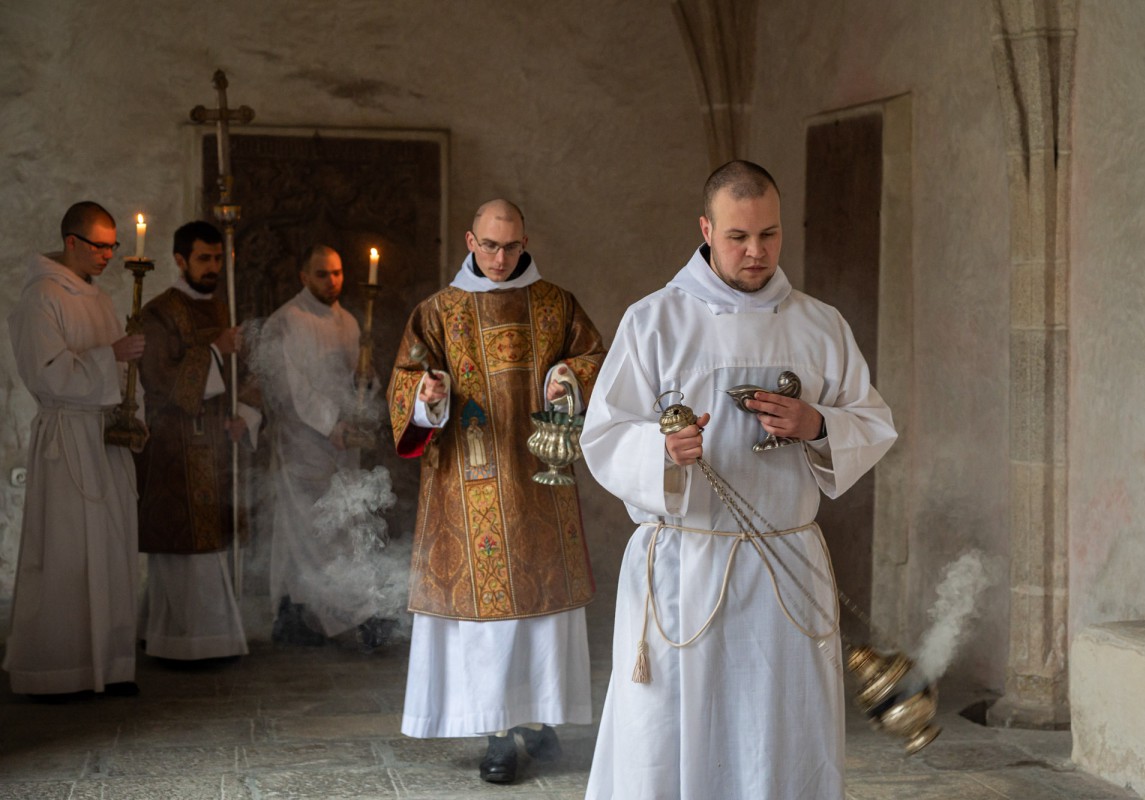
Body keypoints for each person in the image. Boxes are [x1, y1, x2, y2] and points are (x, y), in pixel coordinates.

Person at [579, 161, 898, 799]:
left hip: (786, 565)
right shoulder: (655, 321)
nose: (756, 251)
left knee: (779, 732)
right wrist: (663, 451)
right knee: (673, 734)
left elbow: (872, 421)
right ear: (706, 230)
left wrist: (817, 424)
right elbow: (604, 434)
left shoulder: (819, 325)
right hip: (684, 564)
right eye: (738, 237)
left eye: (769, 235)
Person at [388, 199, 606, 784]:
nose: (500, 258)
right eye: (489, 245)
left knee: (541, 616)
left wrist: (568, 379)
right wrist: (426, 395)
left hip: (541, 478)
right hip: (468, 480)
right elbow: (407, 380)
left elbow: (594, 359)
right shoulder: (438, 311)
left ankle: (539, 716)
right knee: (487, 621)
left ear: (525, 242)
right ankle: (498, 733)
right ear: (470, 241)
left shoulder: (557, 304)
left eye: (510, 246)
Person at [4, 201, 146, 698]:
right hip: (68, 439)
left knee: (109, 549)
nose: (108, 255)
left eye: (113, 246)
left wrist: (132, 409)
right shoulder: (42, 296)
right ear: (71, 241)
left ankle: (109, 665)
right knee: (68, 553)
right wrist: (112, 356)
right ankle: (59, 670)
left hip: (105, 439)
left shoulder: (99, 298)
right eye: (99, 246)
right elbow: (46, 373)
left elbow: (122, 372)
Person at [135, 220, 260, 662]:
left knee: (210, 546)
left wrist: (244, 416)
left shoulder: (223, 309)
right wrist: (213, 351)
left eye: (217, 258)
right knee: (182, 549)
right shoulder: (158, 312)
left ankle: (174, 634)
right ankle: (190, 642)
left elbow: (244, 375)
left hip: (215, 447)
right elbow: (158, 379)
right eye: (203, 258)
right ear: (180, 259)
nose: (212, 267)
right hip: (173, 446)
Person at [259, 245, 389, 649]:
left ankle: (298, 615)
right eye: (321, 274)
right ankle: (355, 615)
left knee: (340, 526)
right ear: (303, 277)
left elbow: (358, 379)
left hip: (343, 444)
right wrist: (331, 423)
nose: (332, 281)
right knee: (313, 530)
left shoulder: (349, 321)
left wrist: (366, 386)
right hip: (303, 443)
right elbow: (290, 387)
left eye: (337, 273)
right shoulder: (286, 321)